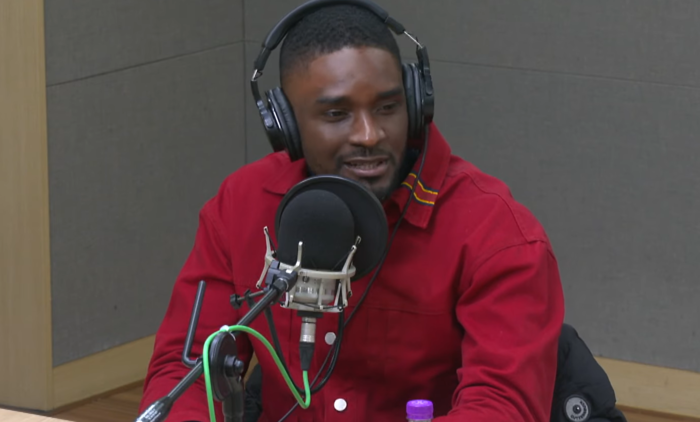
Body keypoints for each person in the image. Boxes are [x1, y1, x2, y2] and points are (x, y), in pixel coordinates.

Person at [139, 2, 566, 421]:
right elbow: (186, 370)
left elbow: (501, 408)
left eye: (387, 107)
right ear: (286, 126)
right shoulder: (241, 205)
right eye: (337, 114)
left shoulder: (498, 234)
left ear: (414, 103)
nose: (369, 134)